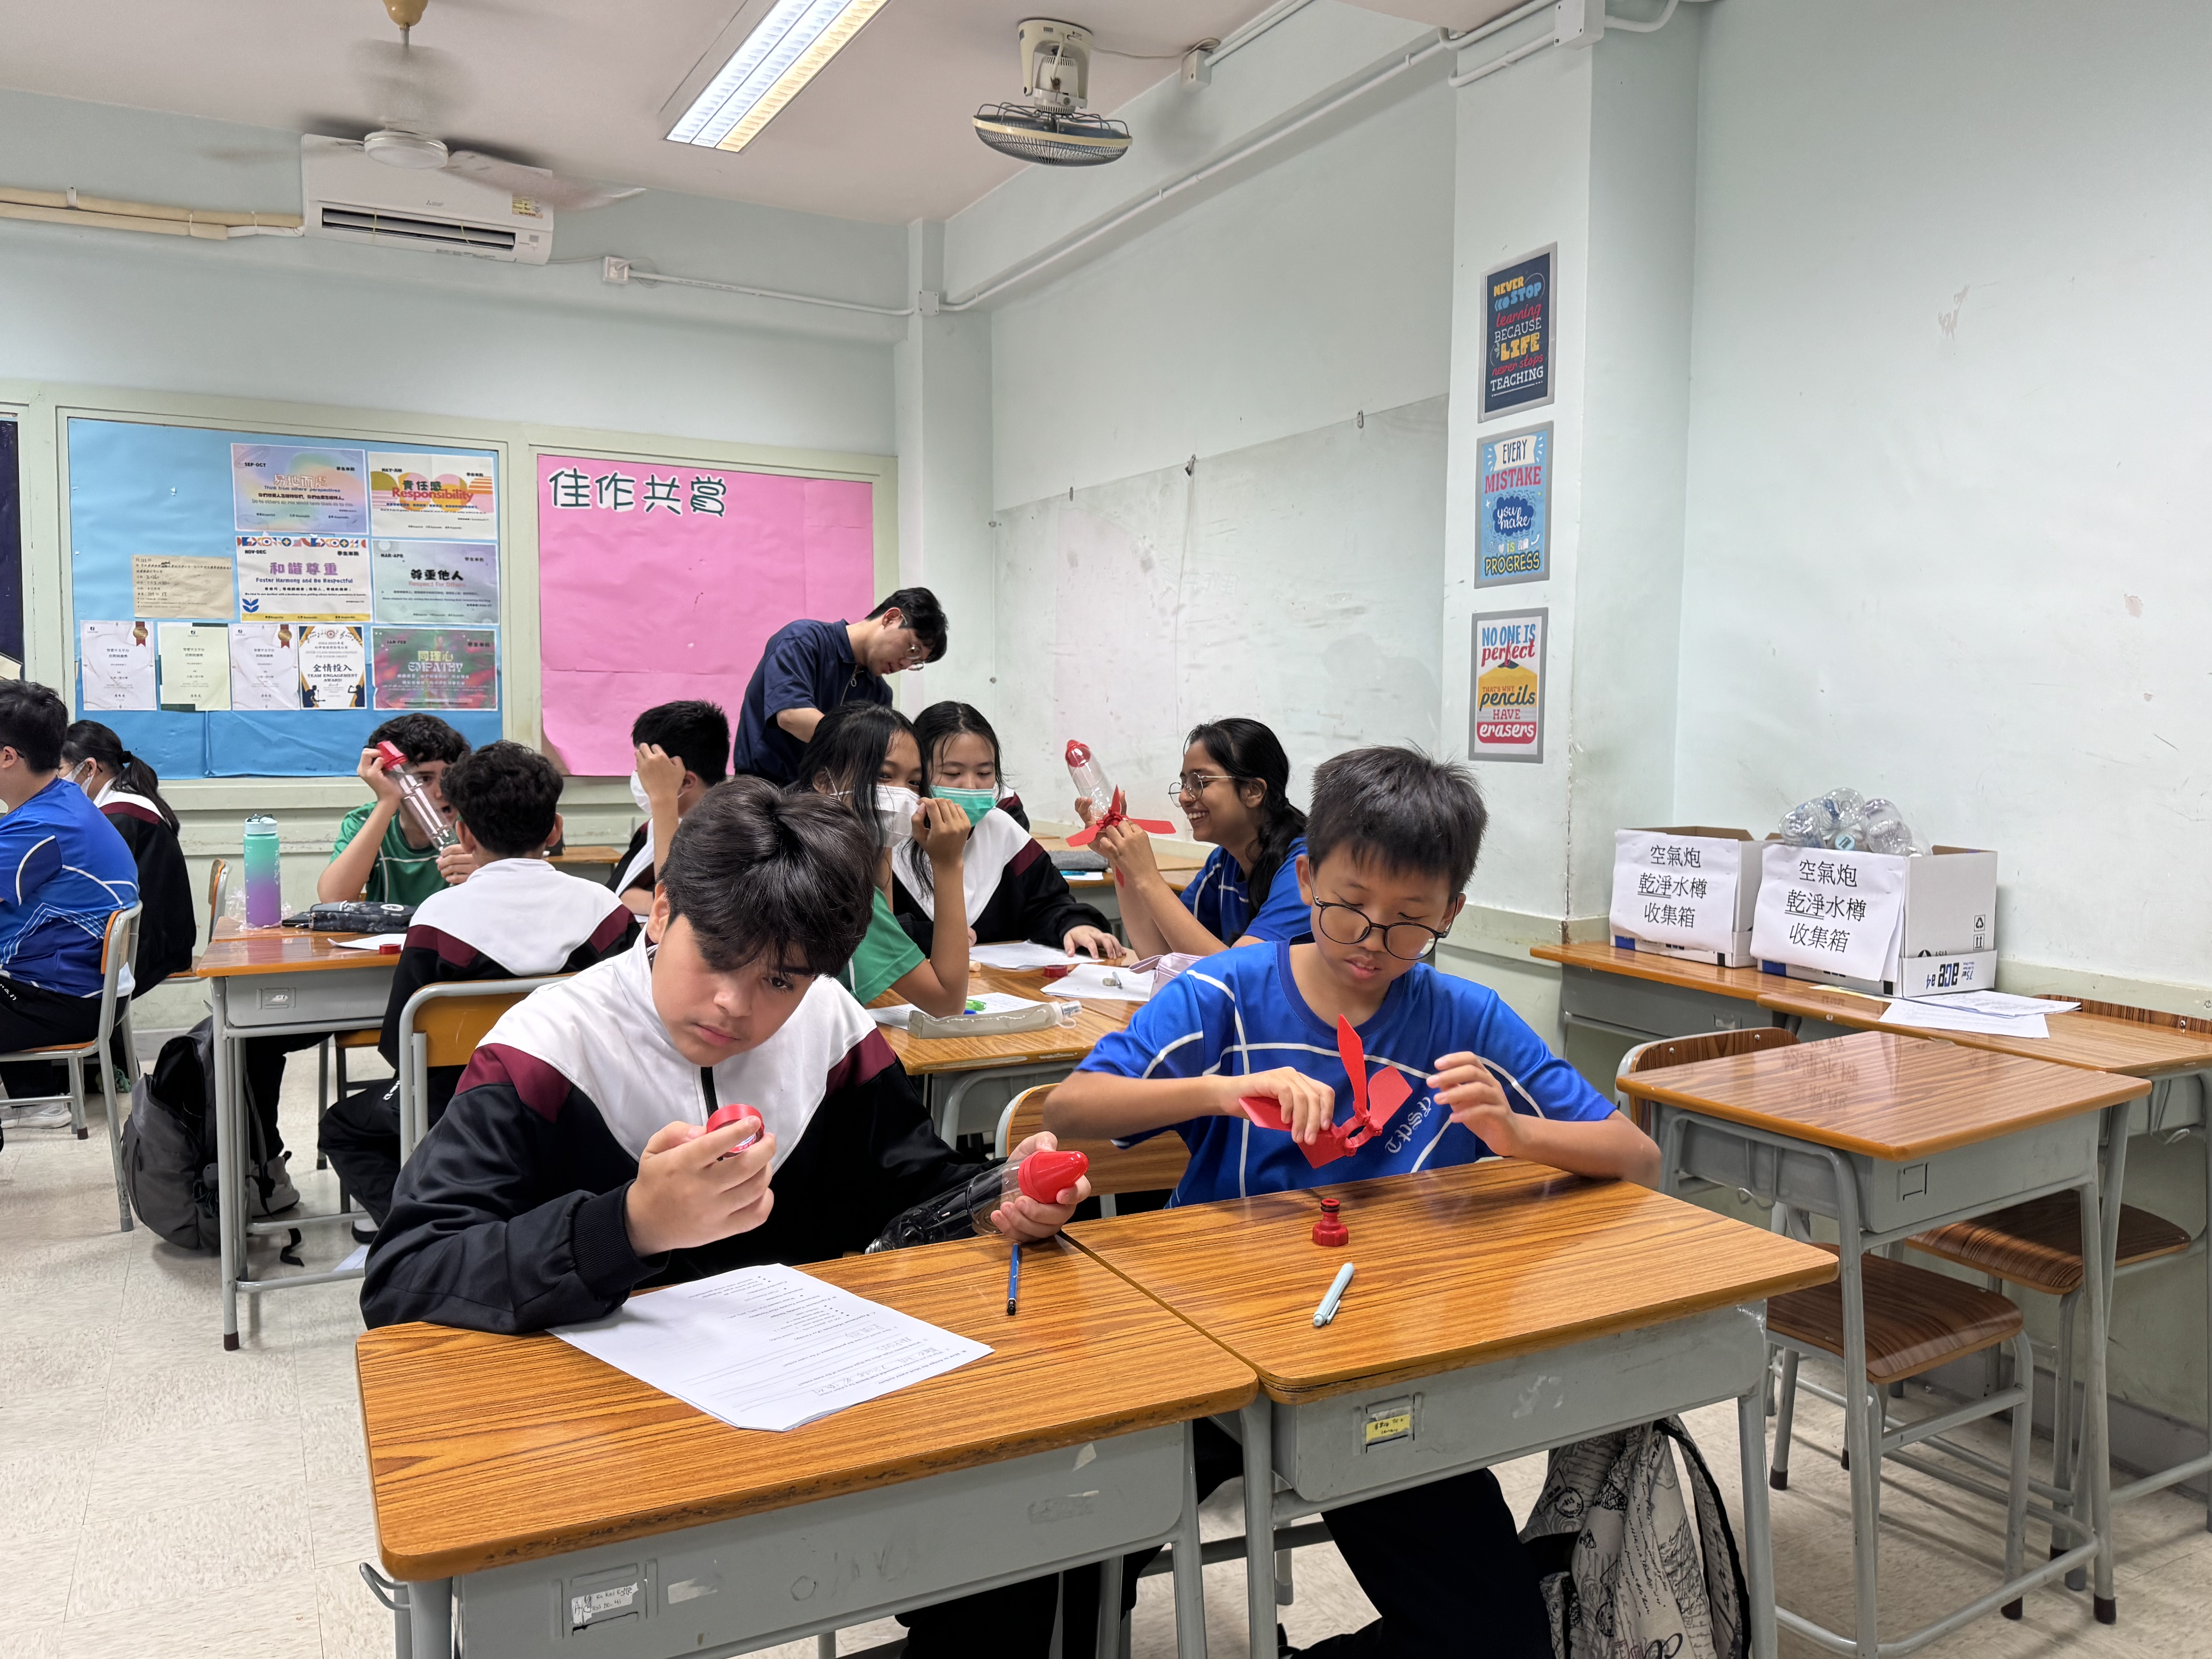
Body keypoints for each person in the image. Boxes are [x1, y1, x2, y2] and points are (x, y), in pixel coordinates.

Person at [362, 778, 1086, 1658]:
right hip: (599, 1445)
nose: (736, 1006)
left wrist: (993, 1202)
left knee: (1042, 1516)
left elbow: (906, 1191)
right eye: (717, 955)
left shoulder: (827, 1027)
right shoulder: (548, 1047)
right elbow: (407, 1275)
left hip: (817, 1411)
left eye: (780, 978)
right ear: (664, 908)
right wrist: (630, 1226)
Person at [1045, 745, 1659, 1659]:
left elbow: (1638, 1159)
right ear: (1306, 880)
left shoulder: (1465, 1017)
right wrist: (1220, 1090)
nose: (1372, 942)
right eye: (1349, 908)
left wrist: (1517, 1134)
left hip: (1379, 1371)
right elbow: (1071, 1109)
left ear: (1451, 913)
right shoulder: (1227, 995)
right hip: (1216, 1350)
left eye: (1410, 922)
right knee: (1070, 1562)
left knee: (1501, 1638)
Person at [318, 741, 638, 1230]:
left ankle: (429, 1234)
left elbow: (400, 1047)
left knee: (344, 1127)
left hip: (459, 1110)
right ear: (555, 830)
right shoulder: (606, 910)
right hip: (581, 1101)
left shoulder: (439, 918)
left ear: (464, 835)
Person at [0, 682, 139, 1134]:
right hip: (90, 991)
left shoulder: (40, 827)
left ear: (8, 757)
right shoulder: (63, 799)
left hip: (67, 1001)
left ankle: (35, 1100)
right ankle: (35, 1100)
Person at [894, 701, 1120, 962]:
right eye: (953, 773)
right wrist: (931, 936)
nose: (971, 786)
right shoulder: (891, 841)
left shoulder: (1006, 834)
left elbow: (1047, 905)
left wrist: (1073, 926)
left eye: (984, 773)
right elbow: (871, 935)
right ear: (919, 775)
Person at [793, 706, 972, 1016]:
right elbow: (947, 1003)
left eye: (914, 782)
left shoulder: (800, 847)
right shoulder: (837, 885)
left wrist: (881, 841)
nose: (901, 794)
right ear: (824, 781)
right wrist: (948, 864)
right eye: (883, 776)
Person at [1082, 716, 1311, 958]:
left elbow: (1238, 971)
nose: (1184, 797)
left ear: (1253, 791)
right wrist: (1118, 858)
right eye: (1184, 784)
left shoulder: (1304, 870)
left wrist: (1148, 877)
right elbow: (1158, 954)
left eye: (1200, 782)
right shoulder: (1223, 863)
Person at [728, 588, 946, 785]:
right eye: (912, 650)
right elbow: (792, 716)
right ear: (891, 618)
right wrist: (866, 748)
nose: (906, 664)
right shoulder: (803, 640)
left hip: (822, 796)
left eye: (916, 663)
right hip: (761, 788)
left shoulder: (880, 693)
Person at [61, 720, 194, 997]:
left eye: (60, 769)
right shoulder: (122, 803)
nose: (55, 779)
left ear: (89, 769)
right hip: (155, 939)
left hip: (151, 948)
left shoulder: (121, 816)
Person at [317, 713, 473, 903]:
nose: (442, 792)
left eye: (450, 775)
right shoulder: (364, 821)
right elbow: (334, 899)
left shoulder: (478, 821)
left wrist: (485, 872)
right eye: (425, 779)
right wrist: (388, 800)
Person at [609, 700, 729, 917]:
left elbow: (678, 905)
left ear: (686, 781)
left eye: (649, 771)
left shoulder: (731, 837)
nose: (640, 778)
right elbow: (623, 893)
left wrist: (663, 799)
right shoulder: (652, 829)